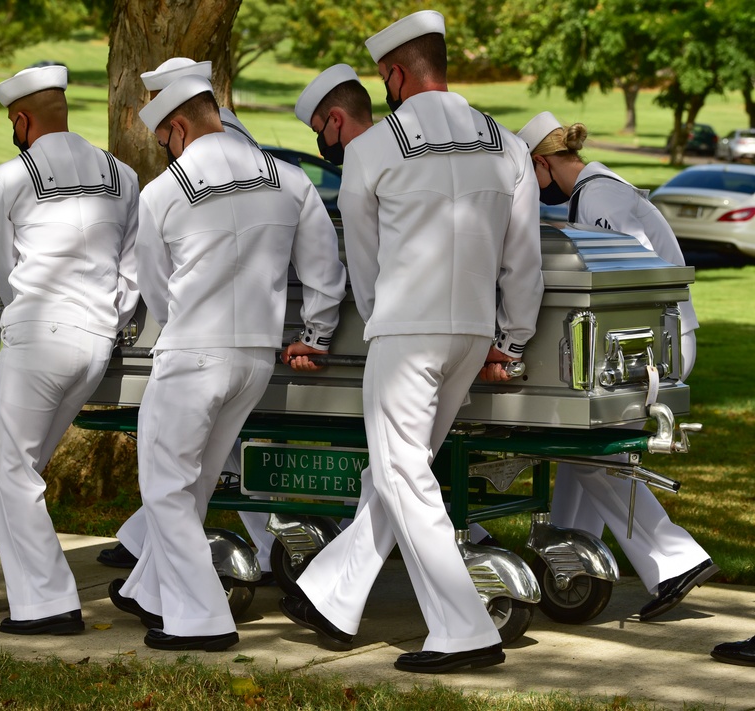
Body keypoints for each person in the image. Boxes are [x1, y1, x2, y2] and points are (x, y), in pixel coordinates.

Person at [278, 10, 543, 674]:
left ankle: (463, 630)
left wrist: (381, 321)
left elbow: (364, 266)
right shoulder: (508, 144)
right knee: (399, 473)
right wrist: (508, 338)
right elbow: (524, 260)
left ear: (394, 74)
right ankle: (333, 595)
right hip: (473, 331)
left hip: (406, 328)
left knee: (401, 473)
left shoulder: (371, 150)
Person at [107, 74, 347, 652]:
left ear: (179, 127)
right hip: (256, 359)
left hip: (193, 352)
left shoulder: (163, 192)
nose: (167, 148)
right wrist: (315, 332)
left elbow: (156, 287)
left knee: (166, 489)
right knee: (194, 487)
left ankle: (202, 619)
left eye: (166, 138)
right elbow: (323, 270)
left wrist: (182, 326)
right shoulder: (288, 181)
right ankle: (152, 591)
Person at [0, 65, 140, 635]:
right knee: (21, 466)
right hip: (95, 343)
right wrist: (111, 317)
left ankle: (49, 604)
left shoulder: (10, 175)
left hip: (39, 337)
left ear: (21, 119)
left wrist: (22, 315)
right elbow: (132, 267)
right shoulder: (122, 174)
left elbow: (1, 261)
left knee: (13, 471)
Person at [517, 111, 717, 622]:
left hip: (651, 345)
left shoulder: (600, 197)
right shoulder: (596, 192)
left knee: (591, 454)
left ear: (542, 164)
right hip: (653, 341)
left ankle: (676, 560)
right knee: (581, 455)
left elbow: (625, 278)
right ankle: (568, 562)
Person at [96, 57, 277, 581]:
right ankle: (150, 558)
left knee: (187, 464)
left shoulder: (218, 147)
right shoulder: (233, 140)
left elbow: (162, 271)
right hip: (244, 327)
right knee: (202, 459)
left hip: (214, 328)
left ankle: (201, 574)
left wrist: (182, 320)